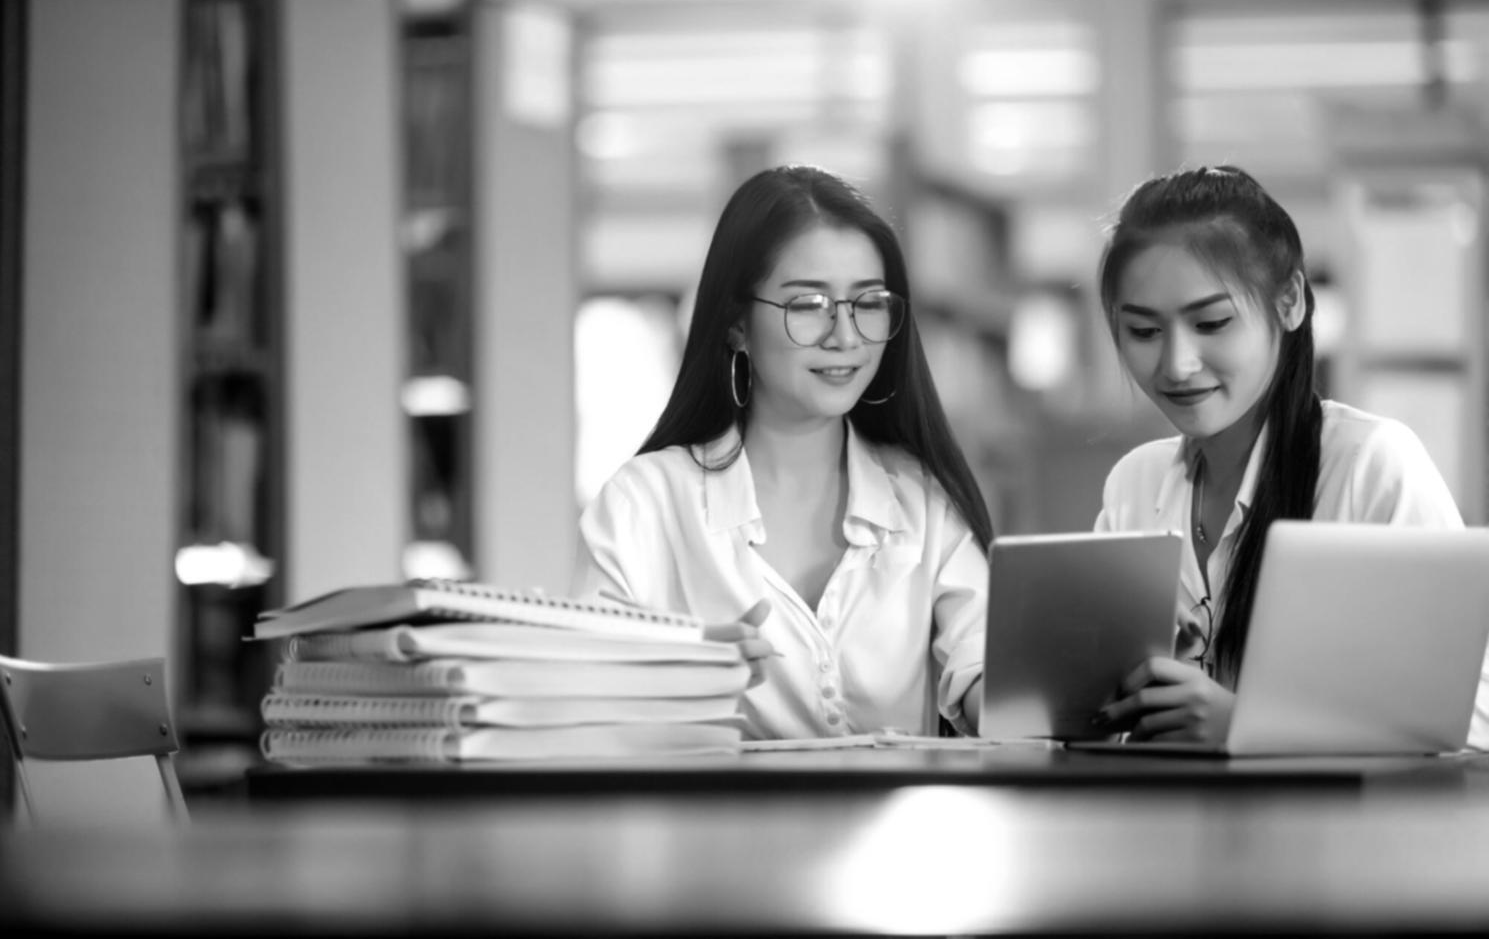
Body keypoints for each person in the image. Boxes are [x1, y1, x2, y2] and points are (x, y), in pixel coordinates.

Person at [572, 164, 994, 740]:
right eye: (808, 304)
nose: (845, 336)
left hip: (900, 805)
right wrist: (674, 685)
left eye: (868, 302)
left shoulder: (923, 503)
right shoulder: (643, 505)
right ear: (737, 324)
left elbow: (987, 674)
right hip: (706, 802)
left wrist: (1047, 698)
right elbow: (582, 705)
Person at [1091, 163, 1489, 750]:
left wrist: (1245, 727)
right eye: (1144, 332)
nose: (1177, 364)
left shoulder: (1368, 466)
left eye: (1212, 322)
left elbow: (1471, 726)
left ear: (1290, 302)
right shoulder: (1135, 484)